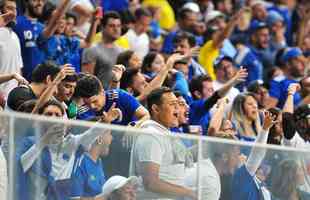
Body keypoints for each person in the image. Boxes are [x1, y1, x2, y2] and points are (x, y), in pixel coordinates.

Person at [19, 99, 117, 200]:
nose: (53, 118)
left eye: (57, 115)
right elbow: (22, 166)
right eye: (48, 114)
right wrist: (44, 140)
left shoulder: (71, 143)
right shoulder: (29, 142)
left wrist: (104, 121)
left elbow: (90, 134)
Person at [129, 87, 197, 199]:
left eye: (178, 104)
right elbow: (150, 183)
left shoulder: (165, 134)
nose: (177, 108)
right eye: (172, 104)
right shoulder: (150, 135)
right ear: (156, 109)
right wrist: (188, 192)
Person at [13, 0, 71, 80]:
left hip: (41, 82)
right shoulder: (16, 22)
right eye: (35, 0)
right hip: (19, 79)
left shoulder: (42, 27)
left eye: (42, 1)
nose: (40, 3)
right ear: (26, 2)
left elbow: (55, 22)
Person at [82, 11, 123, 89]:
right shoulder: (92, 49)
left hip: (118, 97)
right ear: (102, 27)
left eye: (118, 26)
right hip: (99, 97)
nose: (116, 29)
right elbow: (86, 80)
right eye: (112, 26)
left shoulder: (122, 51)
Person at [71, 132, 113, 199]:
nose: (112, 138)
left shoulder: (99, 162)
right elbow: (73, 198)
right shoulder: (80, 161)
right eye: (109, 134)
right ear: (99, 139)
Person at [0, 0, 23, 98]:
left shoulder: (15, 36)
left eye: (15, 9)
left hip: (13, 98)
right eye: (9, 8)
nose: (13, 13)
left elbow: (19, 67)